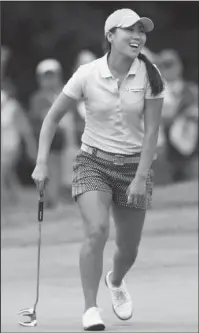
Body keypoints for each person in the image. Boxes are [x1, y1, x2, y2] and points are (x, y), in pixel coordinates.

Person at [32, 8, 164, 331]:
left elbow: (151, 133)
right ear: (110, 36)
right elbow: (52, 119)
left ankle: (115, 280)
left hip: (136, 165)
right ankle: (90, 309)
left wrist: (141, 176)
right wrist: (40, 162)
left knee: (128, 248)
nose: (137, 37)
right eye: (129, 31)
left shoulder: (150, 74)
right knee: (97, 230)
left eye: (141, 32)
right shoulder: (87, 74)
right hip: (93, 162)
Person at [29, 59, 76, 208]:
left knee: (67, 171)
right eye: (46, 77)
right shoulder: (38, 98)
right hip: (50, 142)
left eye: (52, 76)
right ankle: (53, 201)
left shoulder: (68, 95)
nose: (49, 80)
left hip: (69, 141)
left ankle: (62, 199)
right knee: (52, 170)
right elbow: (43, 118)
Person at [157, 49, 198, 182]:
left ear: (179, 66)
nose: (169, 69)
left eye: (171, 64)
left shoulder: (192, 90)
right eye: (164, 65)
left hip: (190, 148)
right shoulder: (155, 92)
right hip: (164, 152)